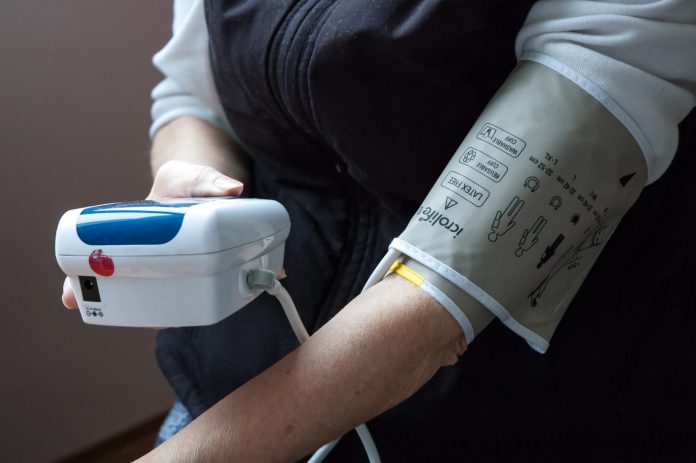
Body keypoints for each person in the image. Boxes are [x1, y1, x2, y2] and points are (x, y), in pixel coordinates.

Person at [62, 1, 696, 461]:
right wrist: (196, 192)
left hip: (515, 414)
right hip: (232, 391)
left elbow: (448, 288)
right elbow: (189, 94)